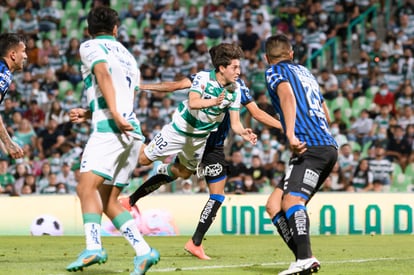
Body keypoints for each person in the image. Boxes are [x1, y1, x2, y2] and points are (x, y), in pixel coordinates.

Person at [121, 43, 265, 260]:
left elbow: (235, 123)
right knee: (142, 160)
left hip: (198, 141)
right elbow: (193, 101)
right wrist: (213, 101)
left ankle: (150, 190)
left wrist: (244, 133)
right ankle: (132, 135)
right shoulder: (203, 78)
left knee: (184, 173)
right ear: (222, 68)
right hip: (178, 130)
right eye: (235, 67)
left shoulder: (235, 91)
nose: (238, 71)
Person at [65, 7, 160, 274]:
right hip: (132, 132)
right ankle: (144, 252)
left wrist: (115, 115)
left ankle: (93, 247)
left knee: (86, 188)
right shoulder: (129, 57)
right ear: (116, 29)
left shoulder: (90, 46)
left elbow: (103, 74)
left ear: (88, 29)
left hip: (111, 129)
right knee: (107, 200)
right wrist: (89, 112)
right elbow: (123, 92)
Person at [263, 34, 338, 275]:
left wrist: (291, 134)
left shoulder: (273, 72)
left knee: (292, 201)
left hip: (309, 146)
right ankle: (304, 259)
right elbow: (327, 114)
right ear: (291, 53)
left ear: (267, 58)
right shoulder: (306, 73)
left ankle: (305, 258)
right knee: (274, 205)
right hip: (326, 145)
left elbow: (286, 95)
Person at [0, 33, 26, 160]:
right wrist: (8, 143)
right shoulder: (3, 72)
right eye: (23, 51)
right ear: (13, 55)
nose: (26, 56)